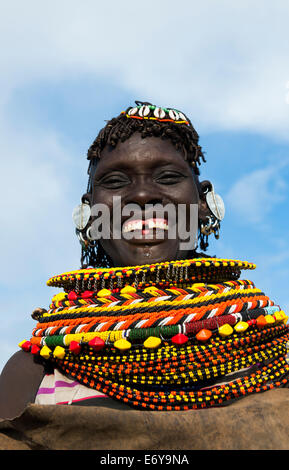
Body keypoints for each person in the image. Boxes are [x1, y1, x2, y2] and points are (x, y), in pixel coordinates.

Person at [1, 101, 289, 450]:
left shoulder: (274, 349)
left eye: (168, 177)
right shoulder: (36, 371)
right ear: (89, 214)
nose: (141, 195)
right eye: (116, 181)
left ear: (203, 202)